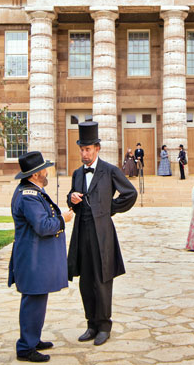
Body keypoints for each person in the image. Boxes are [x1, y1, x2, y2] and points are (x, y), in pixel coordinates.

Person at [66, 121, 138, 347]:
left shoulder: (110, 170)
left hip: (103, 233)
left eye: (87, 149)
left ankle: (104, 326)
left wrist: (110, 209)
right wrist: (72, 198)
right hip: (82, 231)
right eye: (81, 149)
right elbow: (72, 196)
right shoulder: (78, 173)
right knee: (85, 281)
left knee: (102, 279)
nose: (83, 153)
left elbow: (130, 193)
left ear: (97, 148)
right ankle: (91, 324)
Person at [8, 151, 74, 363]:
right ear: (35, 174)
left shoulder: (32, 192)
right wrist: (63, 220)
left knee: (38, 300)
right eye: (44, 169)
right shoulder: (29, 196)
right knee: (33, 301)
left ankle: (32, 339)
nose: (47, 172)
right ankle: (26, 347)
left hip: (35, 258)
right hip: (32, 259)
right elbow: (43, 226)